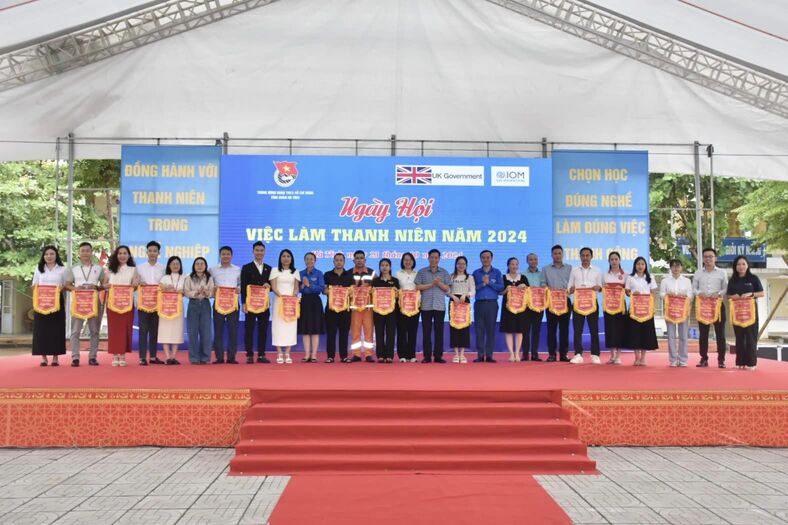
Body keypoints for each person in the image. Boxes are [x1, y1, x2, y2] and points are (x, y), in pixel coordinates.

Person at [65, 242, 104, 367]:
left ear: (91, 252)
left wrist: (96, 287)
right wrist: (75, 288)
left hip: (94, 302)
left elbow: (104, 285)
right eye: (83, 250)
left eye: (88, 250)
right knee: (75, 331)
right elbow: (67, 285)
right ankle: (75, 357)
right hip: (79, 302)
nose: (85, 253)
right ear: (79, 253)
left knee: (94, 331)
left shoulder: (99, 268)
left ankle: (93, 357)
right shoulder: (73, 268)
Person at [102, 245, 139, 367]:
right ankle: (115, 355)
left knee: (125, 328)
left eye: (125, 253)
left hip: (127, 304)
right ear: (116, 255)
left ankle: (122, 355)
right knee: (114, 329)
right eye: (120, 253)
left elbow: (135, 285)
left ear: (128, 256)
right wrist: (107, 286)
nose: (122, 255)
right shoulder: (110, 269)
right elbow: (104, 284)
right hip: (112, 304)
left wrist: (135, 284)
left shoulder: (133, 269)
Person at [726, 255, 764, 370]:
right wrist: (733, 296)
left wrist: (751, 294)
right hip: (737, 313)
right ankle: (740, 362)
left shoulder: (753, 278)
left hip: (751, 314)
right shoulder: (732, 280)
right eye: (738, 264)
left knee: (751, 337)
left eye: (743, 264)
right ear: (735, 266)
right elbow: (728, 295)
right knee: (739, 338)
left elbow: (762, 293)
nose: (741, 266)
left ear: (747, 265)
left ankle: (751, 363)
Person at [692, 248, 728, 368]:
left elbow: (726, 288)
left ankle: (721, 360)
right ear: (703, 259)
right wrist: (699, 293)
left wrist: (718, 294)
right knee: (703, 334)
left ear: (715, 258)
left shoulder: (722, 273)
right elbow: (693, 288)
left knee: (720, 334)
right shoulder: (698, 273)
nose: (708, 259)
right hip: (703, 307)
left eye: (710, 256)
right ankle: (703, 358)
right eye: (706, 256)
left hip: (717, 306)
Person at [31, 245, 67, 366]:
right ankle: (43, 357)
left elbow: (66, 286)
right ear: (43, 256)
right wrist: (38, 289)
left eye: (52, 254)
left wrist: (61, 288)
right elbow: (34, 285)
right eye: (46, 254)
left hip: (57, 302)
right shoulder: (39, 268)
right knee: (41, 329)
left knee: (56, 329)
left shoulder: (62, 269)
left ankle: (55, 357)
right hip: (41, 302)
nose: (49, 256)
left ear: (56, 255)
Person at [415, 249, 451, 363]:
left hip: (439, 306)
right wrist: (431, 284)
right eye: (432, 257)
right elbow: (417, 287)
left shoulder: (444, 272)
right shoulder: (422, 272)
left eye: (436, 258)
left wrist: (439, 283)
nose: (434, 259)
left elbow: (448, 289)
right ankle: (426, 356)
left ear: (439, 259)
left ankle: (438, 356)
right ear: (428, 258)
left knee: (439, 332)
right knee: (426, 332)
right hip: (426, 306)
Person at [568, 247, 603, 364]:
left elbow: (601, 287)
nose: (585, 258)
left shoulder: (597, 270)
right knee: (577, 330)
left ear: (591, 257)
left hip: (592, 304)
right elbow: (569, 287)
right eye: (583, 255)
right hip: (578, 304)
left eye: (587, 255)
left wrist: (599, 288)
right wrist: (571, 289)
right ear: (580, 257)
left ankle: (595, 355)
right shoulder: (574, 271)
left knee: (594, 330)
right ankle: (578, 354)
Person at [240, 241, 272, 364]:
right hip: (250, 304)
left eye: (261, 250)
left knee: (263, 330)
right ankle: (249, 354)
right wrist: (243, 303)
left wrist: (269, 286)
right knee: (249, 329)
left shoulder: (269, 268)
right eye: (257, 250)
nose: (259, 253)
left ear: (265, 252)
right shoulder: (246, 267)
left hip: (264, 305)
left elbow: (272, 287)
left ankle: (261, 354)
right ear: (253, 252)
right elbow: (243, 287)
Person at [135, 241, 165, 366]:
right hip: (143, 304)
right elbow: (135, 284)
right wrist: (139, 283)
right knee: (143, 331)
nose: (152, 253)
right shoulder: (139, 268)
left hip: (157, 304)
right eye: (150, 251)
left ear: (159, 253)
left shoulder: (163, 268)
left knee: (154, 331)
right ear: (146, 252)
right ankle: (142, 357)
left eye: (155, 251)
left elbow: (165, 284)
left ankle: (153, 356)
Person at [211, 246, 241, 364]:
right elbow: (209, 284)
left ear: (231, 256)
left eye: (228, 254)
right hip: (218, 303)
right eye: (223, 254)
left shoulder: (238, 270)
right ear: (220, 255)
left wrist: (239, 289)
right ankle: (219, 357)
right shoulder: (212, 270)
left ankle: (231, 357)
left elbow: (241, 284)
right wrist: (213, 289)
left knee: (233, 331)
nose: (225, 256)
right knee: (218, 330)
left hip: (233, 304)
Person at [625, 256, 658, 366]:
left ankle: (643, 358)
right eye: (638, 264)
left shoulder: (650, 277)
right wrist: (632, 293)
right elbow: (627, 292)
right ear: (635, 266)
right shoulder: (630, 277)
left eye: (642, 264)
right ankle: (637, 357)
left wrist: (650, 301)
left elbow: (653, 292)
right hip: (634, 309)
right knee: (634, 333)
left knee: (646, 333)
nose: (640, 266)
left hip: (647, 309)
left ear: (645, 266)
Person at [660, 259, 693, 367]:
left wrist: (684, 296)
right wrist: (668, 295)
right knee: (671, 336)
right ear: (670, 268)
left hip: (683, 311)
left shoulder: (687, 281)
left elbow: (690, 295)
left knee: (683, 336)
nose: (676, 268)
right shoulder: (665, 281)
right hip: (670, 311)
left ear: (681, 267)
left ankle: (683, 360)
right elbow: (661, 294)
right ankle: (673, 359)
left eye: (678, 266)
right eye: (673, 266)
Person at [472, 250, 504, 363]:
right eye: (483, 257)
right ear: (480, 259)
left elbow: (501, 287)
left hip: (492, 304)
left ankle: (489, 355)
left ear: (491, 258)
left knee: (491, 330)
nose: (485, 259)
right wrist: (483, 284)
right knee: (479, 330)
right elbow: (472, 288)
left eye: (488, 257)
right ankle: (480, 355)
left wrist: (489, 282)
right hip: (479, 304)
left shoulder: (497, 272)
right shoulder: (476, 273)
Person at [543, 245, 572, 362]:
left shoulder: (570, 268)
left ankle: (564, 354)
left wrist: (569, 290)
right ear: (551, 255)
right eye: (555, 253)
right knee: (551, 329)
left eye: (559, 253)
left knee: (564, 329)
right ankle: (552, 354)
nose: (557, 255)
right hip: (551, 302)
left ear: (563, 254)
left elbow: (573, 284)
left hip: (565, 301)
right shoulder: (546, 269)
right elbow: (542, 283)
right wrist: (548, 289)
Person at [270, 249, 299, 364]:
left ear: (291, 259)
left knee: (290, 326)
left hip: (291, 303)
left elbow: (296, 288)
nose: (286, 258)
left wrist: (292, 297)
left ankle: (287, 353)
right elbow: (274, 287)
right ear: (280, 258)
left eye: (288, 256)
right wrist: (283, 298)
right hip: (279, 301)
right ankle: (279, 353)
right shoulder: (274, 270)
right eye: (283, 256)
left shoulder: (295, 272)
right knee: (278, 326)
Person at [324, 253, 354, 363]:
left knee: (344, 334)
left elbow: (352, 292)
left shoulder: (349, 275)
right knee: (331, 334)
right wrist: (334, 290)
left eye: (341, 260)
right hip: (331, 309)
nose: (339, 262)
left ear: (344, 262)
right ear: (333, 262)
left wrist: (344, 291)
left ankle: (344, 356)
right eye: (337, 260)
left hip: (345, 309)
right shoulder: (327, 275)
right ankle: (330, 356)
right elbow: (324, 291)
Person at [184, 257, 214, 365]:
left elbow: (212, 292)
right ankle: (194, 358)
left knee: (206, 332)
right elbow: (186, 292)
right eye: (197, 264)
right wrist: (195, 293)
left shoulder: (209, 278)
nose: (200, 266)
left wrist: (207, 293)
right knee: (192, 332)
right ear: (194, 266)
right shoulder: (189, 278)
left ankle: (205, 357)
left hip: (205, 304)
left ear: (205, 266)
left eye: (202, 264)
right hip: (193, 304)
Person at [157, 256, 186, 365]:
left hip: (178, 308)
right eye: (173, 263)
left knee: (176, 332)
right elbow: (159, 290)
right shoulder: (164, 278)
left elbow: (186, 291)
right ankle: (167, 357)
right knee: (165, 332)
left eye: (177, 263)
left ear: (180, 266)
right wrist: (165, 288)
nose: (175, 265)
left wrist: (182, 291)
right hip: (165, 308)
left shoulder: (184, 278)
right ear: (169, 266)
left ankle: (173, 357)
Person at [500, 257, 529, 362]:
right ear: (508, 265)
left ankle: (517, 353)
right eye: (512, 264)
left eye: (516, 264)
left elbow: (529, 293)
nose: (514, 266)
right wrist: (506, 290)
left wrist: (525, 286)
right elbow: (500, 292)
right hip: (507, 308)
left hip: (521, 308)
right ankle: (511, 354)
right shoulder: (503, 277)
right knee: (508, 330)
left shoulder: (523, 277)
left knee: (519, 330)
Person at [298, 252, 325, 362]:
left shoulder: (319, 273)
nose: (309, 261)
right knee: (305, 329)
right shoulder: (300, 273)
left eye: (311, 259)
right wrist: (303, 285)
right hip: (304, 301)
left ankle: (314, 355)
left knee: (315, 329)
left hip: (315, 302)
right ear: (304, 260)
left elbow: (321, 288)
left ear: (315, 260)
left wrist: (309, 285)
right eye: (307, 259)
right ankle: (306, 355)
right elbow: (298, 289)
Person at [349, 250, 375, 362]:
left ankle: (369, 354)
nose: (359, 260)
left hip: (368, 307)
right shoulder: (348, 273)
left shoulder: (372, 273)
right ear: (353, 260)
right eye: (357, 258)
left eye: (361, 258)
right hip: (355, 307)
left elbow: (376, 289)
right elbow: (346, 290)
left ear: (365, 260)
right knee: (355, 331)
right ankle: (357, 354)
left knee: (369, 331)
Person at [602, 251, 628, 365]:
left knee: (620, 329)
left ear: (619, 260)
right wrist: (605, 287)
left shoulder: (626, 275)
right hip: (608, 305)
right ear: (609, 261)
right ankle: (612, 355)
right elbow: (601, 289)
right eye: (611, 259)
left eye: (616, 259)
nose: (614, 261)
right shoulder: (605, 275)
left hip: (620, 306)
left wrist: (621, 288)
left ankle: (618, 356)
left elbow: (628, 292)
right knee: (610, 329)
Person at [372, 258, 399, 363]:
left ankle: (389, 355)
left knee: (390, 332)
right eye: (382, 265)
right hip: (378, 310)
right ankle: (380, 355)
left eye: (386, 265)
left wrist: (396, 293)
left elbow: (398, 296)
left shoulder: (395, 281)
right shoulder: (375, 281)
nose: (384, 267)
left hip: (391, 311)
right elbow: (372, 295)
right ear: (380, 267)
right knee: (379, 332)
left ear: (390, 267)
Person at [449, 255, 474, 363]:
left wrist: (466, 294)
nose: (461, 265)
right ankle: (455, 354)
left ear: (466, 265)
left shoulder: (469, 277)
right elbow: (447, 290)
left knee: (464, 328)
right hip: (453, 302)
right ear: (456, 264)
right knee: (454, 328)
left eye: (463, 264)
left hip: (465, 302)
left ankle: (462, 354)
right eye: (459, 263)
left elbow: (473, 291)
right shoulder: (451, 276)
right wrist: (452, 296)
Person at [395, 252, 419, 363]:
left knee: (412, 331)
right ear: (402, 261)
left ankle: (412, 355)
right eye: (405, 259)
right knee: (401, 331)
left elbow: (420, 288)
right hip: (401, 307)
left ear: (413, 261)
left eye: (410, 259)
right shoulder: (397, 274)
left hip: (414, 307)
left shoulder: (417, 274)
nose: (408, 262)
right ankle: (402, 355)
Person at [522, 253, 544, 362]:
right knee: (525, 331)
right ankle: (525, 354)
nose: (533, 261)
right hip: (526, 306)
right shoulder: (522, 274)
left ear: (538, 261)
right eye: (530, 259)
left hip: (539, 305)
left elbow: (545, 287)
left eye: (535, 259)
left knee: (536, 330)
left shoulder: (542, 274)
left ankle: (535, 354)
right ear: (527, 261)